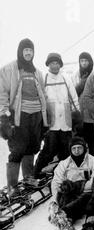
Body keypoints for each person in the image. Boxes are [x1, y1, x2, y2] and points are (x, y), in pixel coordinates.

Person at [0, 38, 48, 194]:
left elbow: (43, 95)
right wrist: (4, 114)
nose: (28, 53)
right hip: (18, 115)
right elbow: (2, 93)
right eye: (25, 50)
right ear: (20, 52)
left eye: (30, 50)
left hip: (36, 115)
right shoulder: (10, 69)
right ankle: (12, 185)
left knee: (32, 146)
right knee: (18, 149)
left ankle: (28, 177)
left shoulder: (37, 72)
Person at [32, 53, 80, 181]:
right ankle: (36, 173)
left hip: (65, 122)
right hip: (51, 123)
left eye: (57, 63)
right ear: (48, 64)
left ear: (60, 64)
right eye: (52, 63)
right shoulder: (44, 79)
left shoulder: (66, 79)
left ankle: (62, 174)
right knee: (48, 149)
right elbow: (40, 98)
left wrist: (77, 114)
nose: (55, 65)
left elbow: (74, 98)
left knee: (66, 150)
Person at [48, 137, 94, 230]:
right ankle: (67, 221)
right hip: (71, 194)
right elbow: (56, 182)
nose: (76, 151)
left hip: (86, 192)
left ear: (84, 148)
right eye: (74, 148)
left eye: (79, 148)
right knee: (66, 196)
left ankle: (67, 213)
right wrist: (57, 198)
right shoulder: (64, 164)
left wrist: (78, 186)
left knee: (86, 198)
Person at [72, 52, 94, 147]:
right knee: (80, 140)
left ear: (90, 62)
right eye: (82, 61)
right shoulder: (75, 75)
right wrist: (82, 83)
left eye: (86, 61)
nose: (84, 63)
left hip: (91, 112)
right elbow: (73, 92)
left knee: (92, 140)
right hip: (79, 112)